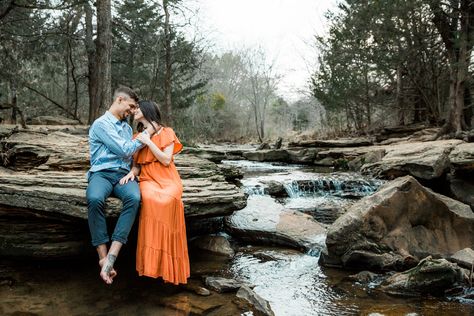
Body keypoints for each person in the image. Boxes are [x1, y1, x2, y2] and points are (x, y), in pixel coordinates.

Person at [119, 100, 190, 285]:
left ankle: (167, 265)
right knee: (150, 200)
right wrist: (130, 174)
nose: (134, 111)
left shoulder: (167, 132)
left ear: (148, 111)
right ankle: (153, 264)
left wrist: (149, 142)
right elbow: (136, 167)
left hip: (168, 179)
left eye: (138, 108)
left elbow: (166, 160)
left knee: (168, 200)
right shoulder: (136, 137)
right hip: (148, 179)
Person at [86, 86, 146, 285]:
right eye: (130, 106)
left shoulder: (127, 128)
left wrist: (133, 171)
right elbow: (124, 150)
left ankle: (112, 255)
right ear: (119, 100)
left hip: (122, 175)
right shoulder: (101, 124)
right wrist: (146, 137)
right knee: (94, 199)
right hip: (101, 174)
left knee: (134, 198)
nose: (131, 111)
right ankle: (102, 256)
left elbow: (129, 158)